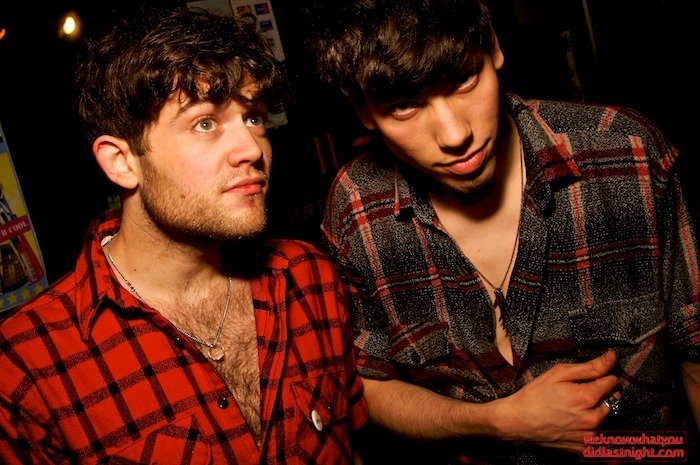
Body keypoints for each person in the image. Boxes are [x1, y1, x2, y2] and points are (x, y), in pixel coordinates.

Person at [303, 0, 700, 463]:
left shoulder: (626, 154)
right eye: (404, 106)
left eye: (463, 80)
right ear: (363, 111)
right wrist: (500, 423)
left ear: (493, 47)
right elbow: (368, 385)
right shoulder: (357, 208)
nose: (454, 135)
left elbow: (694, 353)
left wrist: (614, 442)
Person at [0, 7, 368, 464]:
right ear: (122, 162)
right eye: (205, 123)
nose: (252, 149)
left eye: (254, 118)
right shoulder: (28, 367)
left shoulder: (310, 277)